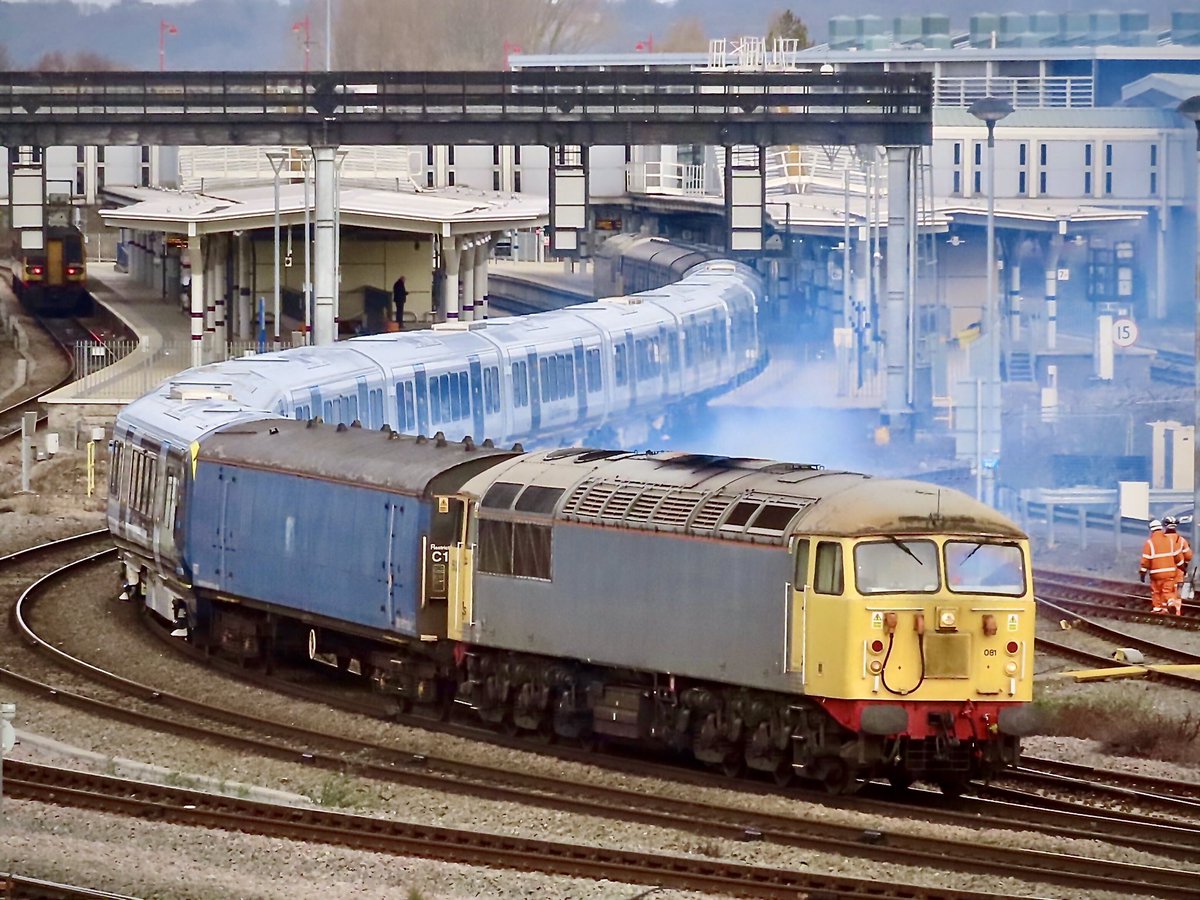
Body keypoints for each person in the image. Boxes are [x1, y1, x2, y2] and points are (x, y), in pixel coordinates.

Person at [1139, 519, 1183, 615]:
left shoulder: (1149, 543)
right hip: (1170, 572)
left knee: (1156, 591)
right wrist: (1181, 566)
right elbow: (1177, 556)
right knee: (1167, 590)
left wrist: (1142, 572)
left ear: (1151, 530)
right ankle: (1170, 601)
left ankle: (1157, 608)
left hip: (1156, 573)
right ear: (1161, 528)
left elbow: (1145, 559)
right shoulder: (1170, 541)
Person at [1163, 516, 1193, 615]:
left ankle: (1167, 606)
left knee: (1165, 589)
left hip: (1165, 570)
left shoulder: (1161, 540)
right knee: (1177, 592)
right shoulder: (1181, 540)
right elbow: (1188, 555)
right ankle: (1177, 612)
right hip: (1179, 570)